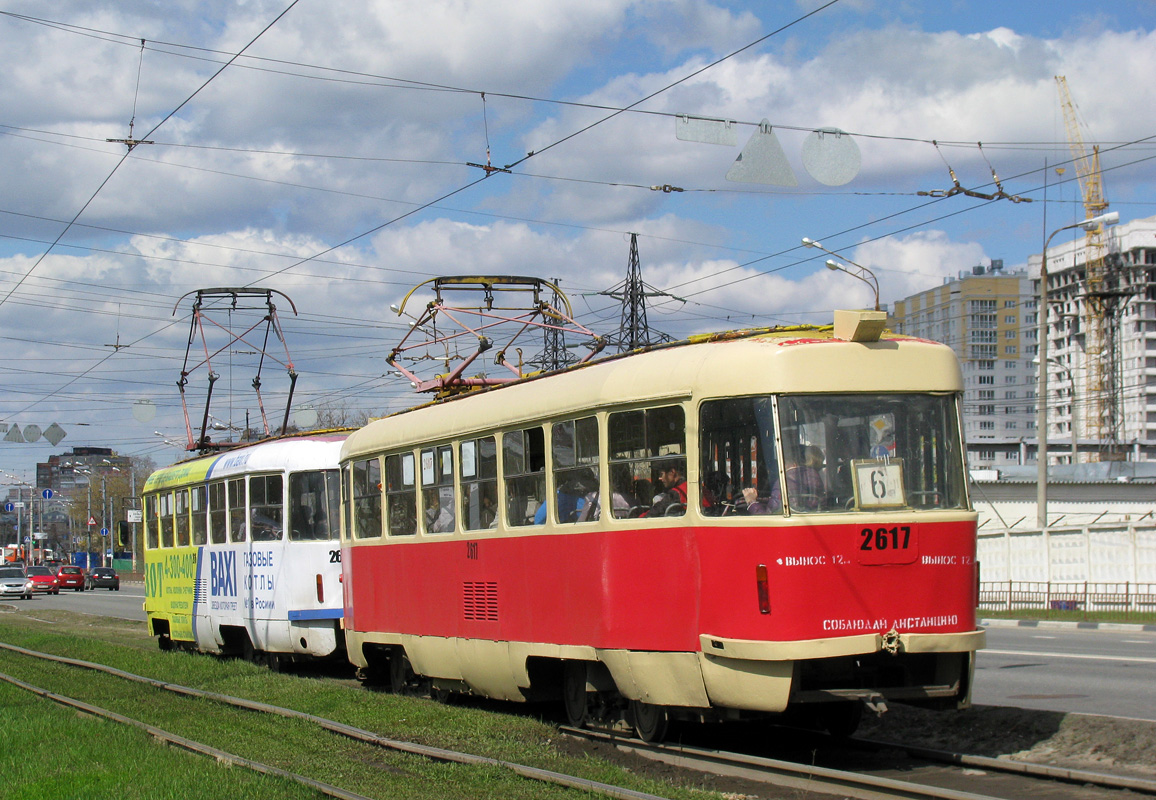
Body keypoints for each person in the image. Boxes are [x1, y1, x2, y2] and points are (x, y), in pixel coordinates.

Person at [744, 445, 825, 514]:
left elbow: (770, 518)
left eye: (784, 463)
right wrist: (763, 500)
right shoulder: (816, 479)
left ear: (794, 464)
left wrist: (751, 502)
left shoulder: (785, 483)